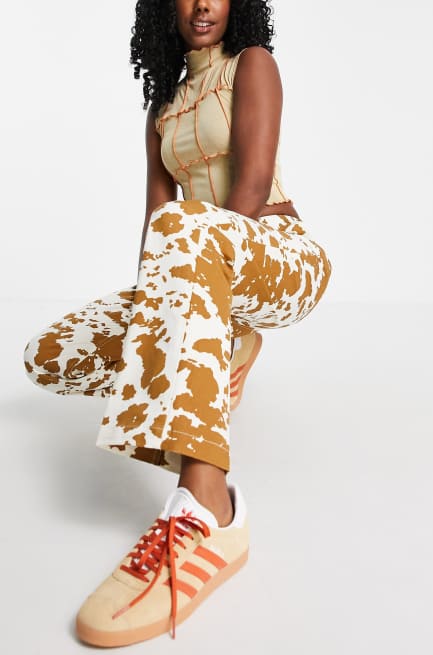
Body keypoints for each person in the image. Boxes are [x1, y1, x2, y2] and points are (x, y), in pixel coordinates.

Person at [23, 0, 332, 647]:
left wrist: (211, 314)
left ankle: (208, 506)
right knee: (48, 354)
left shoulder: (252, 65)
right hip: (193, 263)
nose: (202, 4)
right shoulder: (161, 107)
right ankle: (208, 364)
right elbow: (154, 221)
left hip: (278, 255)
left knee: (185, 227)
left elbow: (251, 185)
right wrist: (157, 315)